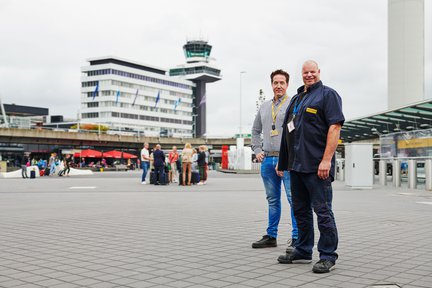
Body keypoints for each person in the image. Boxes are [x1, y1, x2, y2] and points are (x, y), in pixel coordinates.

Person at [276, 60, 344, 274]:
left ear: (319, 72)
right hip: (296, 167)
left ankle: (327, 255)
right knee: (300, 211)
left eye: (312, 72)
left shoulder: (328, 95)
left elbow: (334, 128)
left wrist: (326, 160)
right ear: (302, 74)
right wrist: (283, 163)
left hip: (317, 166)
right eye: (305, 72)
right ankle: (304, 250)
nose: (309, 75)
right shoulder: (297, 99)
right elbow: (288, 133)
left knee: (323, 212)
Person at [251, 69, 298, 251]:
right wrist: (256, 150)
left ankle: (296, 237)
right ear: (271, 84)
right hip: (267, 160)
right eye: (275, 83)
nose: (278, 86)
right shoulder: (264, 106)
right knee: (272, 200)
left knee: (293, 199)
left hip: (285, 160)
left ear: (287, 85)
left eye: (282, 83)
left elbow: (295, 132)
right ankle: (271, 235)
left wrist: (285, 158)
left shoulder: (292, 104)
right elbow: (255, 131)